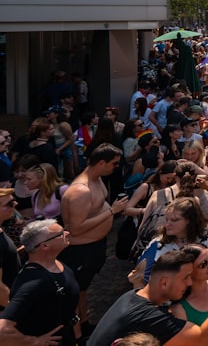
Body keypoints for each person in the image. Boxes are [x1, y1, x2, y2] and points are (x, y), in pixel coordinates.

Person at [88, 249, 208, 346]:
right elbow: (202, 338)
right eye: (185, 278)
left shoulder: (132, 296)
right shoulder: (151, 317)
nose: (189, 283)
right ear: (164, 282)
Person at [59, 143, 128, 334]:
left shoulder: (96, 180)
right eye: (113, 164)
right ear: (101, 163)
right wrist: (112, 211)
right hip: (80, 250)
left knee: (83, 291)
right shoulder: (81, 190)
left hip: (94, 247)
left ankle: (84, 323)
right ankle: (77, 333)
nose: (115, 167)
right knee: (75, 293)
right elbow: (76, 228)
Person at [0, 219, 75, 346]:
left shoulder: (55, 264)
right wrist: (34, 341)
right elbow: (2, 331)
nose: (67, 233)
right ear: (44, 246)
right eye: (60, 234)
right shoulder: (33, 283)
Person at [134, 196, 208, 288]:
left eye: (174, 220)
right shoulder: (157, 244)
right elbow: (143, 277)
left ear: (190, 221)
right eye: (167, 219)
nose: (167, 224)